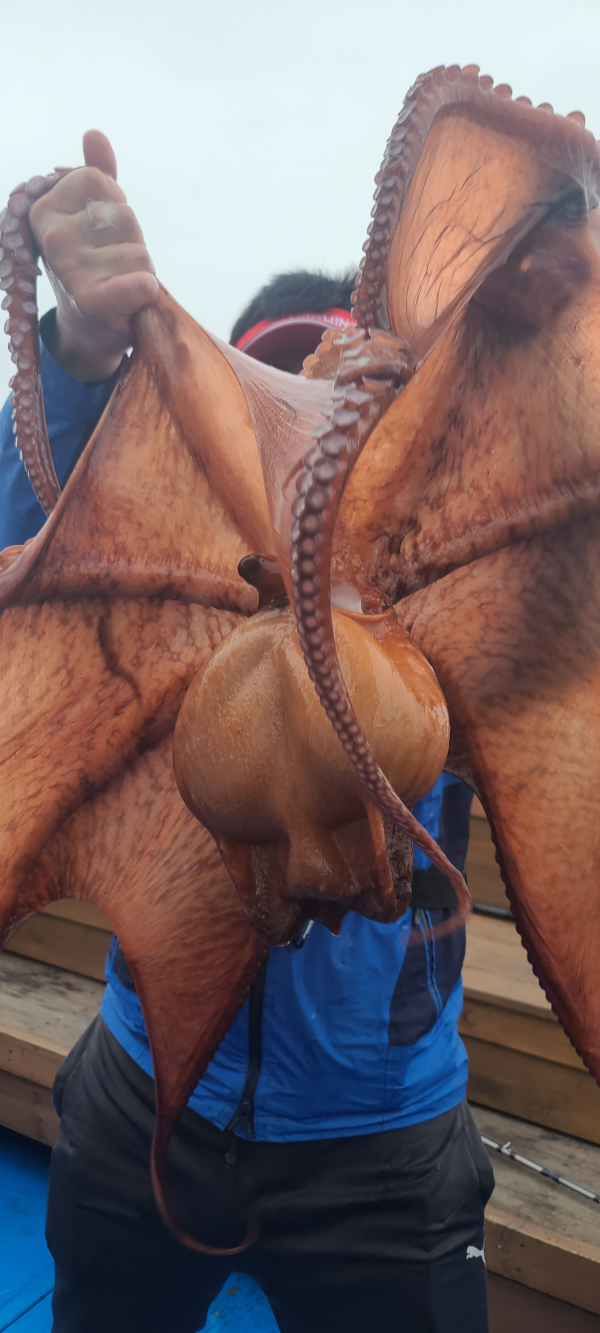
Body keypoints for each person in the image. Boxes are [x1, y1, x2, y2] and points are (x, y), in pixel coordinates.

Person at [0, 142, 492, 1333]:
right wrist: (79, 351)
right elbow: (25, 563)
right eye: (262, 416)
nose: (296, 461)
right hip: (143, 1089)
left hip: (383, 1147)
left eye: (335, 429)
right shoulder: (157, 585)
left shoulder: (457, 602)